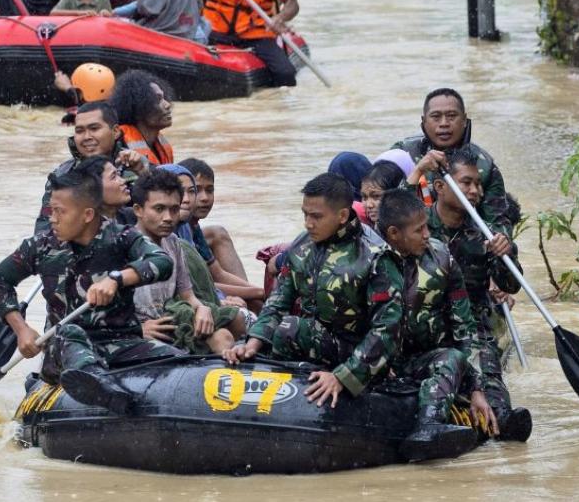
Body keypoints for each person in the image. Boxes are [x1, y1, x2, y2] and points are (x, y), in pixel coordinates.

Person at [0, 164, 175, 413]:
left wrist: (116, 279)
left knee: (178, 359)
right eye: (50, 211)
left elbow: (162, 262)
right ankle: (101, 388)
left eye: (59, 212)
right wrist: (21, 330)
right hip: (63, 349)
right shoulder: (40, 246)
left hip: (121, 343)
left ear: (87, 214)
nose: (52, 218)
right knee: (69, 331)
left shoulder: (121, 237)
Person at [224, 173, 403, 408]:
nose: (308, 223)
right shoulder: (302, 245)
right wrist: (252, 344)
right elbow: (278, 301)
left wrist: (343, 377)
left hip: (358, 350)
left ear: (341, 215)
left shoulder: (375, 256)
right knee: (266, 334)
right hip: (314, 342)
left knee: (291, 328)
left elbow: (387, 328)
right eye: (305, 214)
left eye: (316, 216)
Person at [377, 188, 494, 460]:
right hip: (373, 359)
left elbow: (464, 326)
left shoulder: (441, 258)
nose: (428, 235)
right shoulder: (367, 259)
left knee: (452, 358)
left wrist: (476, 388)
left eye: (427, 226)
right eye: (419, 230)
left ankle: (429, 427)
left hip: (423, 358)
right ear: (394, 234)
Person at [427, 146, 532, 442]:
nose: (475, 191)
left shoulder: (486, 234)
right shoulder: (417, 225)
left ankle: (500, 421)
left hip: (472, 327)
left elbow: (511, 286)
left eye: (478, 184)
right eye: (466, 183)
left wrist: (504, 254)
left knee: (489, 377)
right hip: (424, 324)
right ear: (440, 187)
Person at [130, 170, 245, 354]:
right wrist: (137, 328)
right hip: (141, 328)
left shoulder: (173, 242)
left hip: (170, 320)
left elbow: (188, 296)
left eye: (174, 209)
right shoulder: (122, 246)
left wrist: (202, 309)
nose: (168, 217)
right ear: (138, 210)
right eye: (159, 209)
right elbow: (103, 311)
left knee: (228, 331)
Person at [395, 88, 513, 237]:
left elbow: (499, 222)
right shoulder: (402, 154)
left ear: (464, 120)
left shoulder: (484, 166)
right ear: (424, 122)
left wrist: (501, 239)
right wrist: (418, 171)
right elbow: (383, 205)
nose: (444, 123)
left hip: (466, 243)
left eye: (451, 116)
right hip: (413, 240)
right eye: (436, 117)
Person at [161, 163, 265, 314]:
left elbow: (216, 275)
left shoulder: (190, 228)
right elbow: (191, 288)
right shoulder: (163, 234)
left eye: (192, 192)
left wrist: (259, 292)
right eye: (181, 192)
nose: (202, 198)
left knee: (255, 302)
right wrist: (256, 292)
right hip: (180, 305)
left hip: (199, 297)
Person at [35, 101, 145, 233]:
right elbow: (45, 230)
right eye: (80, 131)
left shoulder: (136, 165)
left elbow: (160, 213)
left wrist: (143, 174)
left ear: (115, 131)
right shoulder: (63, 175)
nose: (87, 137)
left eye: (94, 129)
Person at [110, 69, 175, 165]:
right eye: (158, 100)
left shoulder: (160, 144)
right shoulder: (119, 148)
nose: (167, 105)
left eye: (164, 98)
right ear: (138, 110)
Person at [359, 160, 406, 229]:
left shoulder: (409, 230)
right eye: (364, 197)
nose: (369, 205)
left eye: (376, 196)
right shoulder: (370, 229)